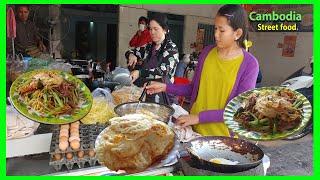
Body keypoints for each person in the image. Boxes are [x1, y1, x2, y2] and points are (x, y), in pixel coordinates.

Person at [146, 5, 259, 136]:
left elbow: (238, 109)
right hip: (194, 131)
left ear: (237, 33)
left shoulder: (249, 64)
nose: (216, 35)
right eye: (215, 28)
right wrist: (165, 87)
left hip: (223, 137)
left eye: (221, 30)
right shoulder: (207, 53)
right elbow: (193, 89)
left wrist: (199, 117)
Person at [125, 13, 179, 104]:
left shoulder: (171, 49)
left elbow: (162, 71)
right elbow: (130, 51)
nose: (152, 32)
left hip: (163, 95)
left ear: (164, 30)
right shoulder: (150, 46)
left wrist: (140, 72)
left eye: (155, 29)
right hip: (147, 91)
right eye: (150, 29)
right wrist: (131, 55)